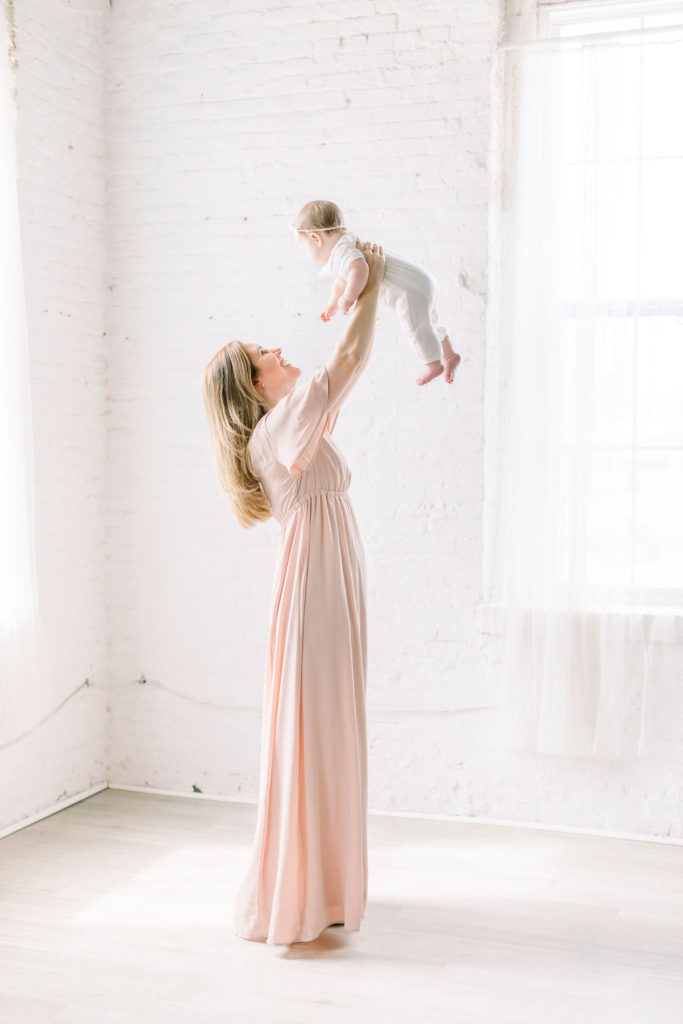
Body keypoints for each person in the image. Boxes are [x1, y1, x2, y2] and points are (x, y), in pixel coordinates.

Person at [202, 240, 386, 945]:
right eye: (264, 353)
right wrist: (370, 285)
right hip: (315, 581)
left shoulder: (288, 424)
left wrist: (367, 290)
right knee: (317, 726)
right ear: (253, 386)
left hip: (327, 572)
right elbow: (345, 363)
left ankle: (323, 889)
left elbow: (347, 369)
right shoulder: (277, 429)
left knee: (327, 725)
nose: (279, 350)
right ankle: (304, 893)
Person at [292, 199, 461, 386]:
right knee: (431, 322)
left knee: (415, 328)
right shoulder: (346, 242)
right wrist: (332, 304)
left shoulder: (341, 252)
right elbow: (342, 280)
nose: (308, 255)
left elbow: (359, 268)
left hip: (408, 291)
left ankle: (433, 363)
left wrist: (349, 298)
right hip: (422, 281)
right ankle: (450, 355)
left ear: (316, 238)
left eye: (305, 250)